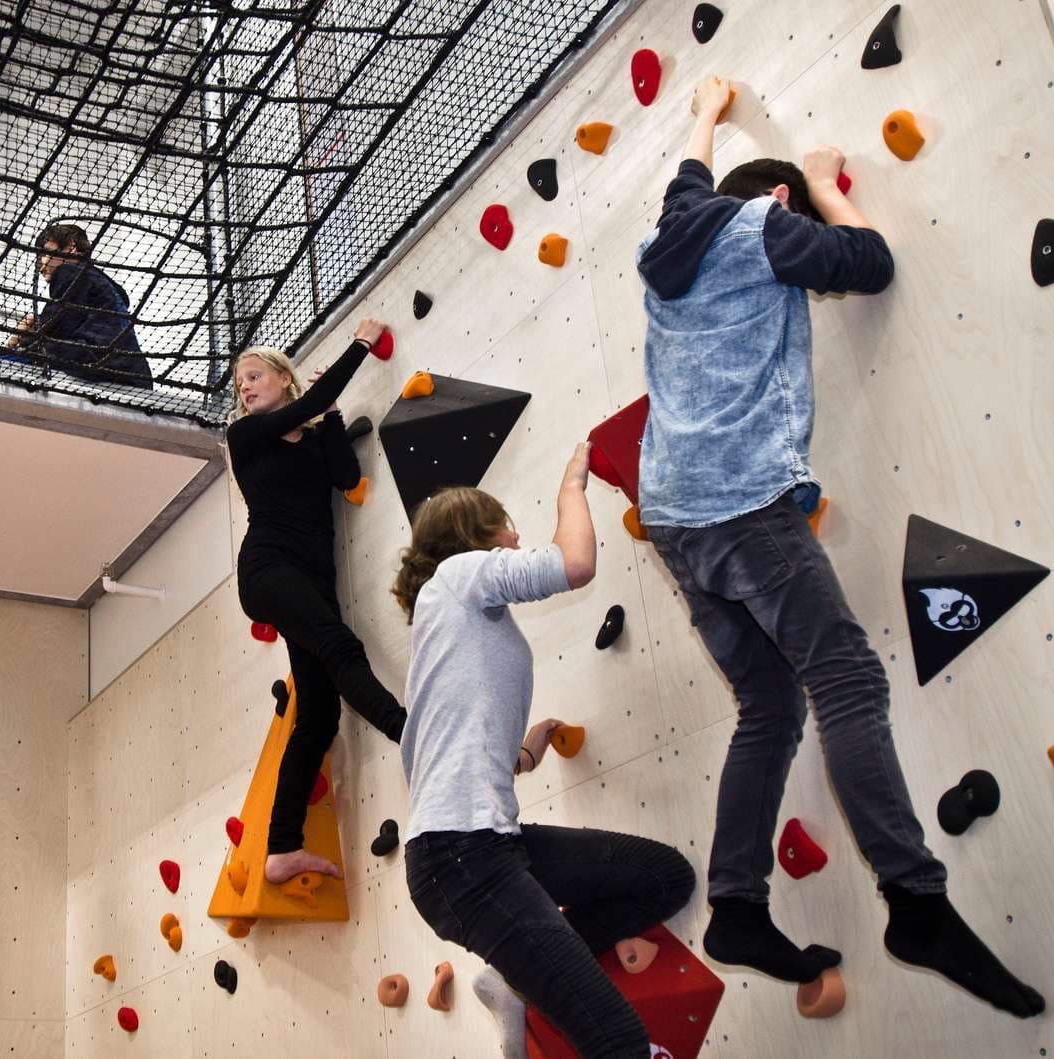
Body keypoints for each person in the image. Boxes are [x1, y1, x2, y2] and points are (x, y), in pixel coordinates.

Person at [633, 75, 1042, 1017]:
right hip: (744, 505)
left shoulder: (670, 237)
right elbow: (870, 260)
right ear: (774, 204)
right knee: (847, 678)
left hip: (676, 521)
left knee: (768, 709)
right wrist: (822, 180)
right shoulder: (760, 228)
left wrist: (704, 111)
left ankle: (735, 901)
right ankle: (915, 898)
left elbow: (685, 181)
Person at [393, 454, 695, 1059]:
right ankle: (522, 977)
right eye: (506, 525)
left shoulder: (453, 624)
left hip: (487, 843)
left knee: (664, 878)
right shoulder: (458, 576)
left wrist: (524, 755)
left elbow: (445, 757)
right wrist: (571, 486)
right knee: (621, 1043)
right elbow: (574, 563)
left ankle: (514, 980)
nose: (517, 537)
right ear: (475, 537)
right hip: (461, 858)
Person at [227, 319, 404, 884]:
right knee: (339, 645)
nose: (245, 388)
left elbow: (344, 473)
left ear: (283, 378)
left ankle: (281, 848)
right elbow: (323, 394)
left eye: (254, 377)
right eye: (239, 385)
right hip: (268, 570)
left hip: (312, 579)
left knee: (321, 712)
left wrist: (330, 421)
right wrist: (360, 344)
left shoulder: (313, 426)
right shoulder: (244, 438)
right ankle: (412, 734)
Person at [5, 223, 154, 388]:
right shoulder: (100, 284)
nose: (42, 265)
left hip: (98, 364)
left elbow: (58, 324)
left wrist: (25, 335)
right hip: (134, 376)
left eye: (46, 253)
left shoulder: (71, 272)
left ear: (70, 246)